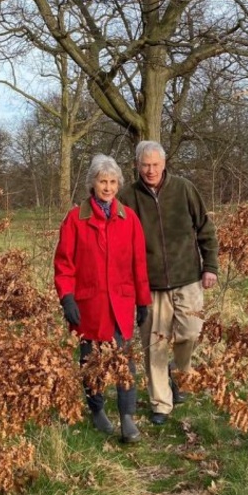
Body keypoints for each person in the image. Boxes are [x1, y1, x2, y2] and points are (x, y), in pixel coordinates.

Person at [119, 140, 219, 425]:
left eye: (155, 165)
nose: (150, 170)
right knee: (155, 345)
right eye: (145, 165)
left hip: (187, 277)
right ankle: (161, 403)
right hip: (149, 285)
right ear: (137, 166)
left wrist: (209, 266)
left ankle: (179, 372)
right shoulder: (127, 197)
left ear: (164, 164)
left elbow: (205, 228)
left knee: (191, 332)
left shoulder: (184, 189)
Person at [54, 154, 151, 443]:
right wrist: (67, 298)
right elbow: (63, 264)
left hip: (120, 304)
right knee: (91, 362)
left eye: (112, 182)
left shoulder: (128, 218)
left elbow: (138, 264)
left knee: (124, 362)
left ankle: (127, 418)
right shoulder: (75, 219)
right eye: (102, 181)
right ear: (92, 184)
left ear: (118, 184)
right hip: (88, 306)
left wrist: (143, 301)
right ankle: (97, 410)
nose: (107, 188)